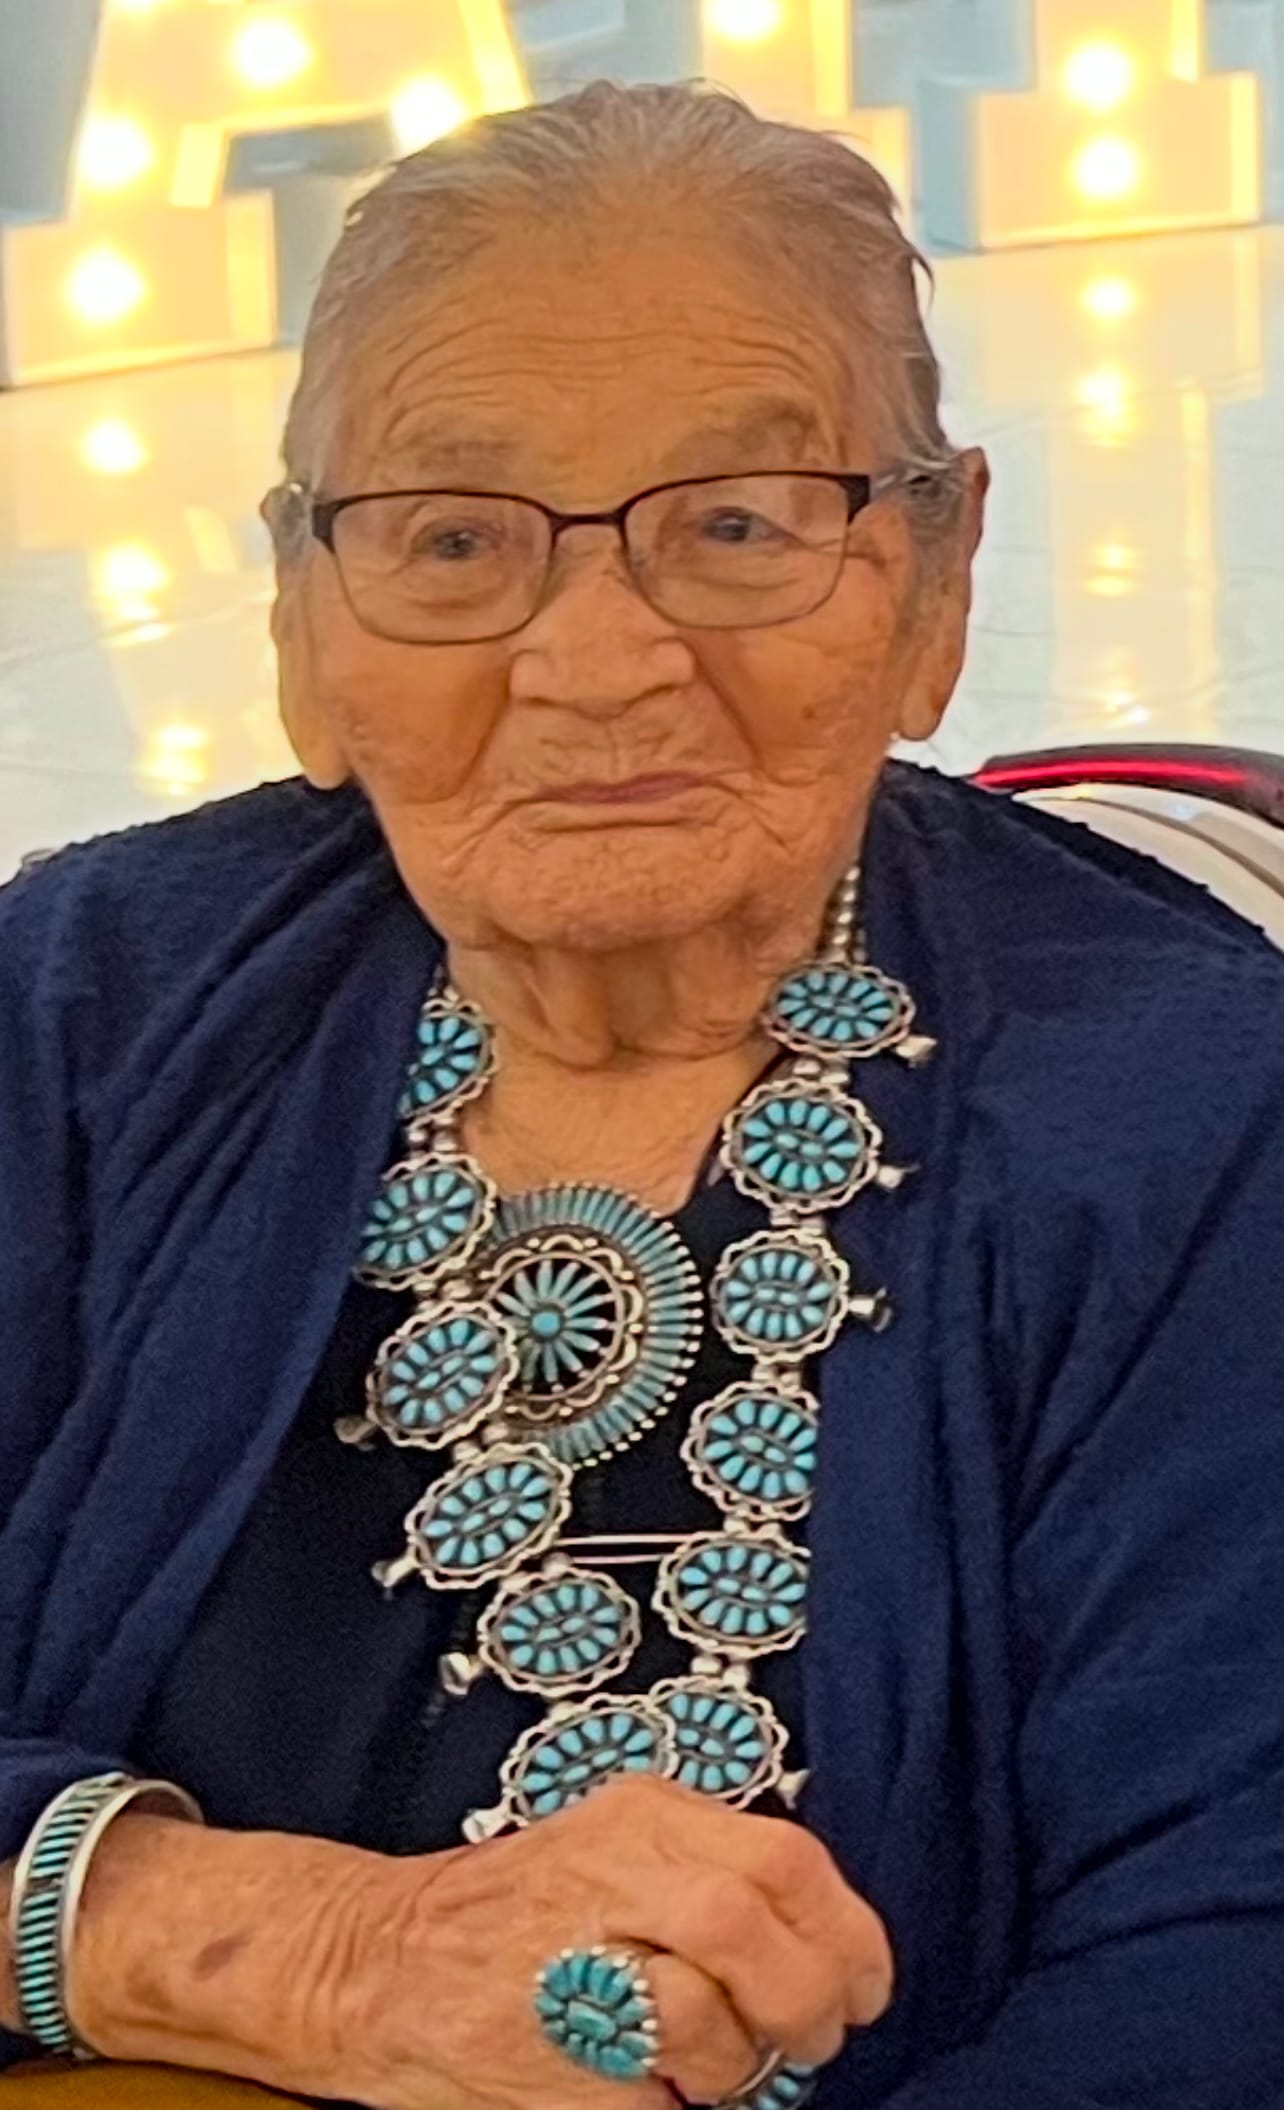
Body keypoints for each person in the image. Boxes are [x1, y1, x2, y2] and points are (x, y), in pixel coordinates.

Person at [3, 76, 1284, 2110]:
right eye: (452, 537)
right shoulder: (85, 999)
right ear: (305, 621)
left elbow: (1225, 1965)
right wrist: (254, 1942)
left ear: (935, 585)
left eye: (740, 525)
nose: (598, 658)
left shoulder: (1203, 1118)